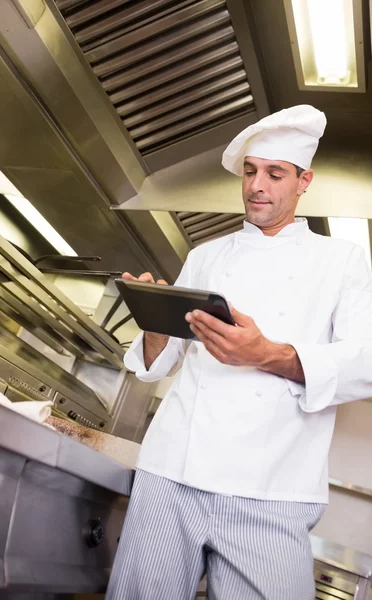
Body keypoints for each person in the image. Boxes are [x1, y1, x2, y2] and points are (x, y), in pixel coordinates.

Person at [105, 105, 372, 600]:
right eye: (250, 172)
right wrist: (154, 321)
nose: (256, 186)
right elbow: (157, 365)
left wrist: (267, 353)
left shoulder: (342, 261)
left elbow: (364, 364)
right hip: (172, 473)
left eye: (274, 174)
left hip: (272, 488)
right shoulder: (206, 256)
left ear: (303, 181)